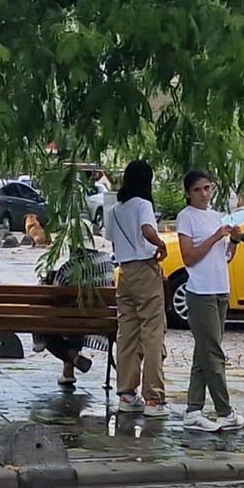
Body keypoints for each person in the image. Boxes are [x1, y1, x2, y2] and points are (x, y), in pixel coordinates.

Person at [172, 169, 244, 431]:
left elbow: (225, 256)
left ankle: (193, 409)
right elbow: (189, 257)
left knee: (203, 351)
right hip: (200, 291)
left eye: (207, 188)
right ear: (188, 194)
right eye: (197, 190)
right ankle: (224, 410)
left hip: (220, 289)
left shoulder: (216, 216)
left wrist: (233, 240)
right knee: (213, 353)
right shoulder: (186, 217)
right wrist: (216, 236)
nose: (203, 194)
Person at [104, 160, 171, 415]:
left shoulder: (116, 209)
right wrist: (161, 244)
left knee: (127, 333)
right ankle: (154, 397)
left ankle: (127, 394)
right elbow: (146, 230)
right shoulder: (143, 205)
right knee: (152, 333)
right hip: (145, 269)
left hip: (125, 272)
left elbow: (110, 238)